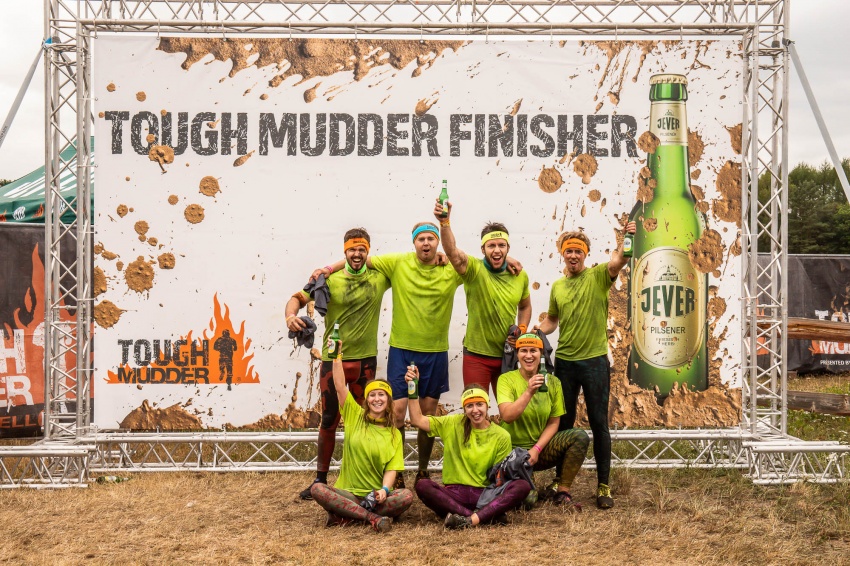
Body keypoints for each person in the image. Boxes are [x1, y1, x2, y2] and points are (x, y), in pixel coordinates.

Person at [314, 222, 463, 488]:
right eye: (421, 239)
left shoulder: (450, 268)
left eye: (431, 239)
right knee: (398, 411)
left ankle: (423, 471)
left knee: (428, 414)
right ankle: (397, 470)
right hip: (402, 350)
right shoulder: (397, 263)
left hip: (436, 352)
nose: (426, 243)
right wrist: (326, 269)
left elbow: (481, 265)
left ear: (438, 242)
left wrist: (508, 258)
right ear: (414, 242)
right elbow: (359, 258)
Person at [286, 228, 391, 499]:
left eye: (361, 249)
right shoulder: (328, 280)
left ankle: (368, 478)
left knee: (368, 421)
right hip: (334, 361)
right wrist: (290, 317)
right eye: (352, 249)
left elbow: (411, 265)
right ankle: (319, 481)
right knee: (329, 420)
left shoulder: (380, 276)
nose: (357, 254)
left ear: (368, 252)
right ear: (345, 251)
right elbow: (297, 298)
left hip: (365, 363)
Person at [537, 223, 636, 509]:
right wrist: (536, 331)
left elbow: (620, 260)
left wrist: (627, 237)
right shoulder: (558, 287)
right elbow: (552, 320)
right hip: (565, 362)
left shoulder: (598, 276)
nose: (573, 255)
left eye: (578, 251)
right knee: (563, 423)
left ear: (586, 254)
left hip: (594, 362)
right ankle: (559, 481)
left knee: (598, 423)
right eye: (568, 251)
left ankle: (603, 486)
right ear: (562, 254)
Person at [406, 366, 529, 529]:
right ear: (464, 409)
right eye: (469, 406)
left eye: (479, 404)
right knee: (423, 485)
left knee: (522, 486)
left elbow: (499, 479)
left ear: (487, 406)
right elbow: (417, 420)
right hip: (454, 494)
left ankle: (467, 518)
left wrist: (494, 494)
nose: (475, 410)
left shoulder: (501, 435)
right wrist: (412, 388)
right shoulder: (452, 423)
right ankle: (479, 517)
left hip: (484, 494)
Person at [309, 341, 413, 532]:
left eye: (381, 395)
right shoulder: (354, 415)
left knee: (406, 496)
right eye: (372, 395)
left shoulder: (394, 434)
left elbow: (392, 469)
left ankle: (346, 515)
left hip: (374, 497)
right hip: (347, 494)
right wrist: (337, 356)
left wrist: (384, 490)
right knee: (318, 489)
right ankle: (371, 517)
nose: (377, 399)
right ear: (367, 400)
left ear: (388, 400)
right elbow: (340, 386)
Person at [435, 200, 532, 396]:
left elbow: (525, 306)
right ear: (482, 249)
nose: (497, 250)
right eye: (491, 245)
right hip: (476, 357)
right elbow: (452, 252)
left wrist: (522, 329)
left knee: (510, 409)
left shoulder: (520, 275)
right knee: (475, 408)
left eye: (501, 245)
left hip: (507, 355)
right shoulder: (473, 269)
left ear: (508, 248)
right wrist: (444, 223)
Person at [497, 333, 590, 509]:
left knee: (579, 436)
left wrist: (537, 449)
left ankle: (562, 492)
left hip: (539, 450)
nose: (528, 355)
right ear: (517, 354)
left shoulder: (553, 382)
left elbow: (554, 422)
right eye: (523, 350)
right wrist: (529, 391)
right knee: (528, 501)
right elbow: (507, 416)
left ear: (541, 354)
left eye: (533, 350)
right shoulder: (506, 379)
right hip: (513, 452)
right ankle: (522, 485)